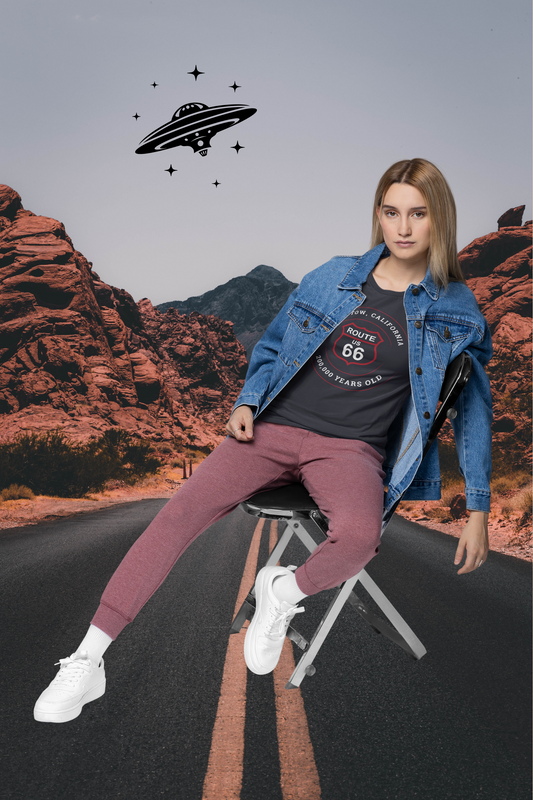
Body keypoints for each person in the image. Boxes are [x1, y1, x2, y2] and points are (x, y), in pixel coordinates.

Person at [34, 158, 492, 723]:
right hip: (274, 429)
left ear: (439, 219)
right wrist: (247, 401)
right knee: (177, 516)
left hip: (350, 450)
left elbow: (473, 407)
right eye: (391, 212)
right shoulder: (334, 275)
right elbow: (274, 346)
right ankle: (88, 660)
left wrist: (477, 509)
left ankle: (282, 593)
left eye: (417, 214)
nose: (402, 227)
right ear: (377, 214)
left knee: (359, 538)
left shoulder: (455, 310)